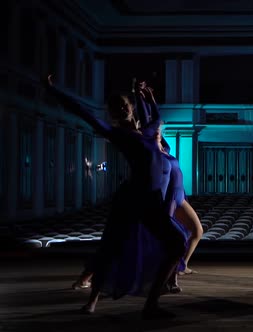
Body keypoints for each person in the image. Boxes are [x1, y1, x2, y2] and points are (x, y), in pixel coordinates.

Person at [45, 75, 186, 319]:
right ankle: (94, 300)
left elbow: (157, 119)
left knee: (177, 243)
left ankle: (151, 304)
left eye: (123, 104)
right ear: (112, 114)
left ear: (130, 107)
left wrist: (148, 98)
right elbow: (83, 113)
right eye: (114, 107)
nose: (120, 108)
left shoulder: (148, 132)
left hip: (151, 200)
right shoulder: (117, 133)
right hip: (133, 199)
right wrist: (53, 91)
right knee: (112, 247)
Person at [135, 81, 203, 290]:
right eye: (155, 130)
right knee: (175, 239)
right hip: (168, 198)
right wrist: (139, 97)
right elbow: (149, 119)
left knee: (197, 231)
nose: (159, 129)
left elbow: (156, 119)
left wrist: (149, 97)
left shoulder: (163, 145)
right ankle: (172, 278)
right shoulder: (150, 150)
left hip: (180, 195)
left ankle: (180, 268)